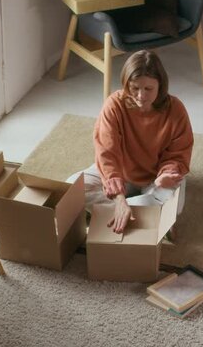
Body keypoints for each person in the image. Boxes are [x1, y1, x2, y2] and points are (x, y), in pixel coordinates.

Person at [67, 50, 193, 234]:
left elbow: (179, 153)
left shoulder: (176, 109)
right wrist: (119, 197)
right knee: (70, 189)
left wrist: (167, 173)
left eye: (148, 89)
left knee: (164, 204)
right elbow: (106, 152)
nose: (141, 96)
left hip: (155, 179)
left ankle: (125, 212)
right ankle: (135, 213)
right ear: (126, 85)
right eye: (134, 88)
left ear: (160, 85)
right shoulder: (114, 105)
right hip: (121, 173)